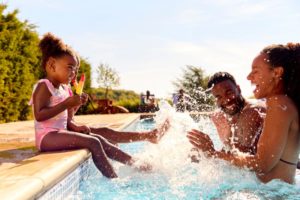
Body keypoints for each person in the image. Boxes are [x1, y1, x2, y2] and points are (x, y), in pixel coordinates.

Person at [29, 33, 157, 178]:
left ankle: (136, 164)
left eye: (75, 69)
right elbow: (39, 115)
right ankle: (113, 180)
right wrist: (66, 104)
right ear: (52, 65)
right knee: (94, 142)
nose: (73, 73)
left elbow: (66, 120)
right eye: (70, 67)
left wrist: (74, 112)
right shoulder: (44, 86)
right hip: (46, 137)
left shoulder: (64, 89)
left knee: (100, 138)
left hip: (58, 133)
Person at [188, 43, 300, 184]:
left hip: (274, 195)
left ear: (276, 73)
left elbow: (262, 164)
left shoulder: (279, 103)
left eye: (256, 71)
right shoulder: (283, 103)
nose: (249, 77)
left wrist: (213, 153)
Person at [206, 72, 265, 155]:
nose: (226, 100)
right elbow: (228, 150)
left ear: (238, 89)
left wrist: (210, 152)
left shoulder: (252, 112)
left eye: (229, 92)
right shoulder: (220, 117)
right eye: (219, 97)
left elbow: (245, 156)